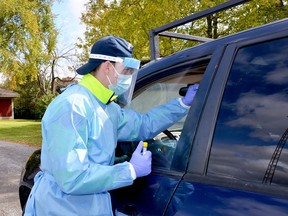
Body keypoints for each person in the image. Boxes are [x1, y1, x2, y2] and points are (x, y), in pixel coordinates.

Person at [24, 35, 199, 216]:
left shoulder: (107, 107)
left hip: (88, 206)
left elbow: (143, 125)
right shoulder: (72, 106)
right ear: (107, 67)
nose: (130, 77)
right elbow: (72, 177)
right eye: (127, 71)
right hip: (61, 208)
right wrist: (129, 170)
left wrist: (183, 104)